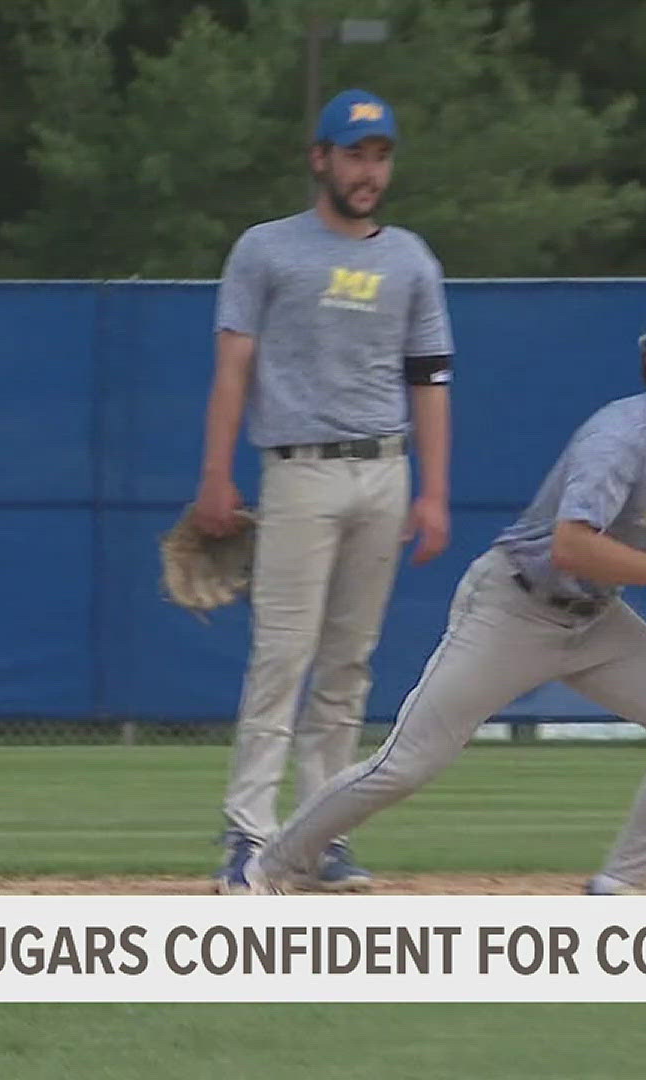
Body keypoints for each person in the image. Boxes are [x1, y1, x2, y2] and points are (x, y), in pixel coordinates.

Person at [233, 287, 646, 896]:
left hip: (595, 619)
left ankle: (617, 885)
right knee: (407, 764)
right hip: (515, 606)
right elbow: (571, 545)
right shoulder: (618, 437)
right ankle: (268, 866)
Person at [195, 88, 455, 894]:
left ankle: (319, 836)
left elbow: (431, 380)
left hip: (385, 468)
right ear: (321, 159)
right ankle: (247, 834)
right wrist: (215, 475)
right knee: (282, 656)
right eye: (354, 153)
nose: (368, 169)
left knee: (349, 665)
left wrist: (435, 492)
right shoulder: (268, 250)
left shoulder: (411, 258)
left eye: (379, 155)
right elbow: (233, 366)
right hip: (298, 469)